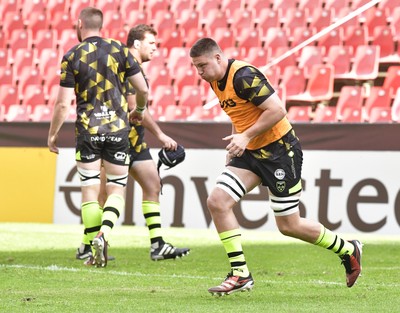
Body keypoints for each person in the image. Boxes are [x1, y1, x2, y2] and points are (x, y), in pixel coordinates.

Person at [189, 38, 362, 296]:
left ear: (217, 58)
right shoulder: (216, 80)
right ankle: (240, 274)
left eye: (202, 65)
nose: (199, 72)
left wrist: (245, 137)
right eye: (195, 67)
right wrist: (238, 144)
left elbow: (277, 109)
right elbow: (240, 114)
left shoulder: (244, 76)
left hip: (281, 151)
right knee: (217, 201)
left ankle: (348, 249)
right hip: (250, 153)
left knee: (288, 225)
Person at [76, 24, 190, 262]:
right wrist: (161, 135)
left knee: (152, 184)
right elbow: (134, 107)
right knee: (103, 195)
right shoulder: (126, 64)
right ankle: (89, 244)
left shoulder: (129, 64)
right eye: (152, 44)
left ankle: (157, 244)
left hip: (135, 141)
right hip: (117, 139)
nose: (155, 49)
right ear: (137, 43)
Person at [48, 7, 149, 268]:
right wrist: (138, 110)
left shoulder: (72, 55)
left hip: (88, 131)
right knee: (116, 188)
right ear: (100, 25)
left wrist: (53, 134)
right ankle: (105, 232)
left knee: (90, 191)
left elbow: (62, 104)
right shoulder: (120, 50)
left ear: (80, 24)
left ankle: (93, 243)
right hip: (117, 130)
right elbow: (142, 88)